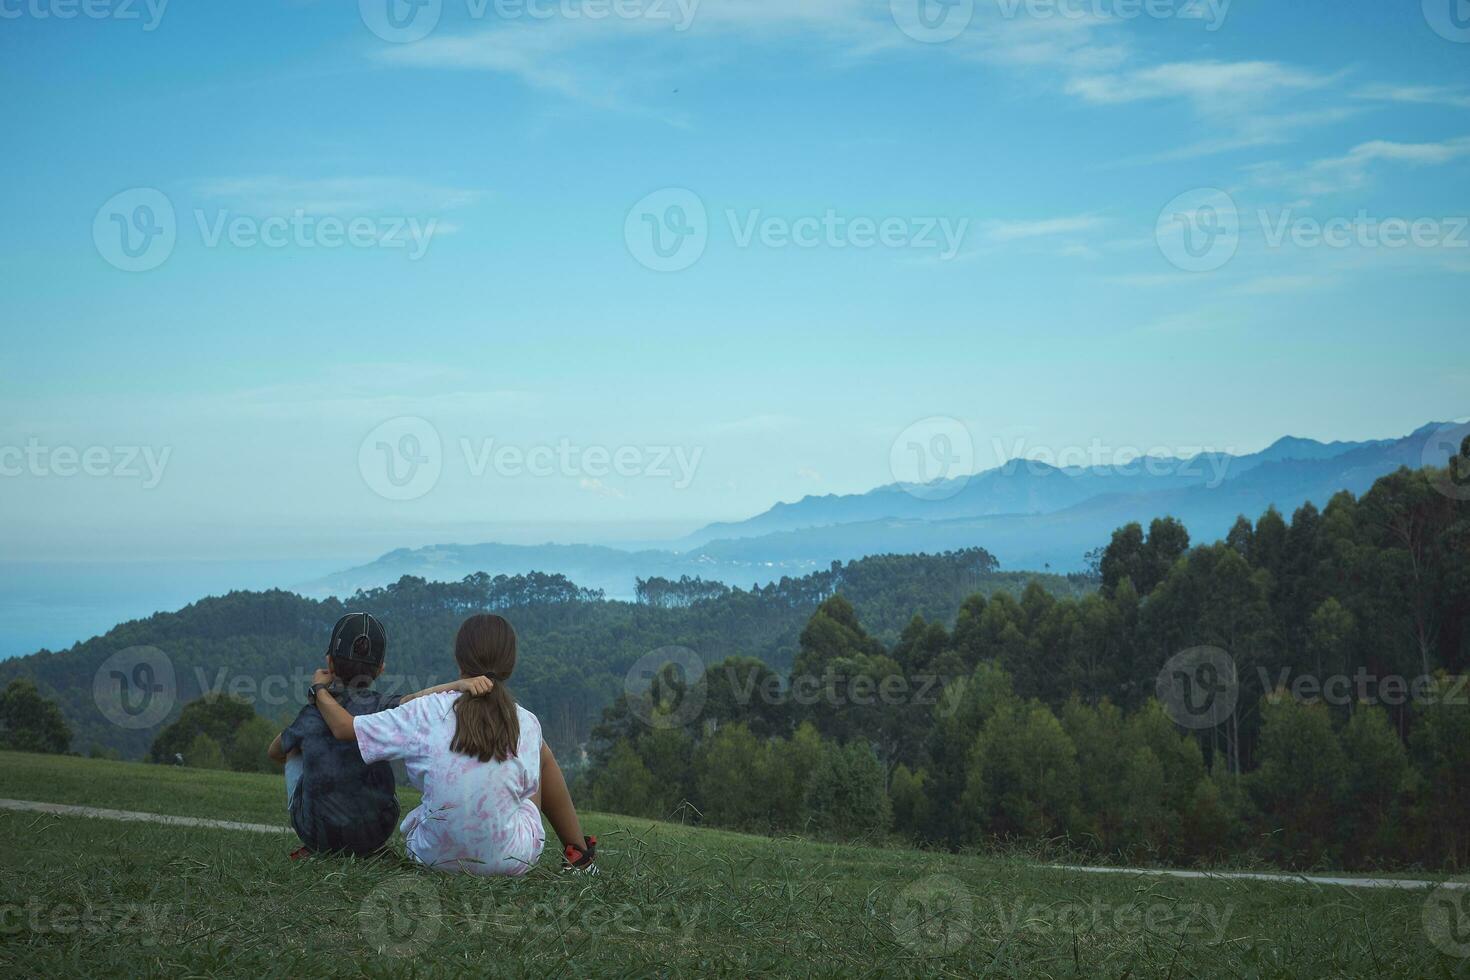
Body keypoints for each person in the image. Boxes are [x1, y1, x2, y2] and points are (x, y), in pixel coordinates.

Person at [313, 613, 596, 876]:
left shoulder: (425, 712)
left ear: (459, 660)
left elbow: (344, 728)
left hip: (431, 855)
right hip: (512, 860)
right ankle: (579, 855)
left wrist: (320, 691)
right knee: (539, 753)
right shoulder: (527, 722)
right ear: (510, 664)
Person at [266, 612, 486, 859]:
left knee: (294, 745)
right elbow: (418, 699)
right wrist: (457, 685)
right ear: (380, 670)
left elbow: (275, 752)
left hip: (317, 834)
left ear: (329, 663)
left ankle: (316, 827)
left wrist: (314, 716)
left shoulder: (311, 713)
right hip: (376, 832)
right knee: (379, 742)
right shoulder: (383, 707)